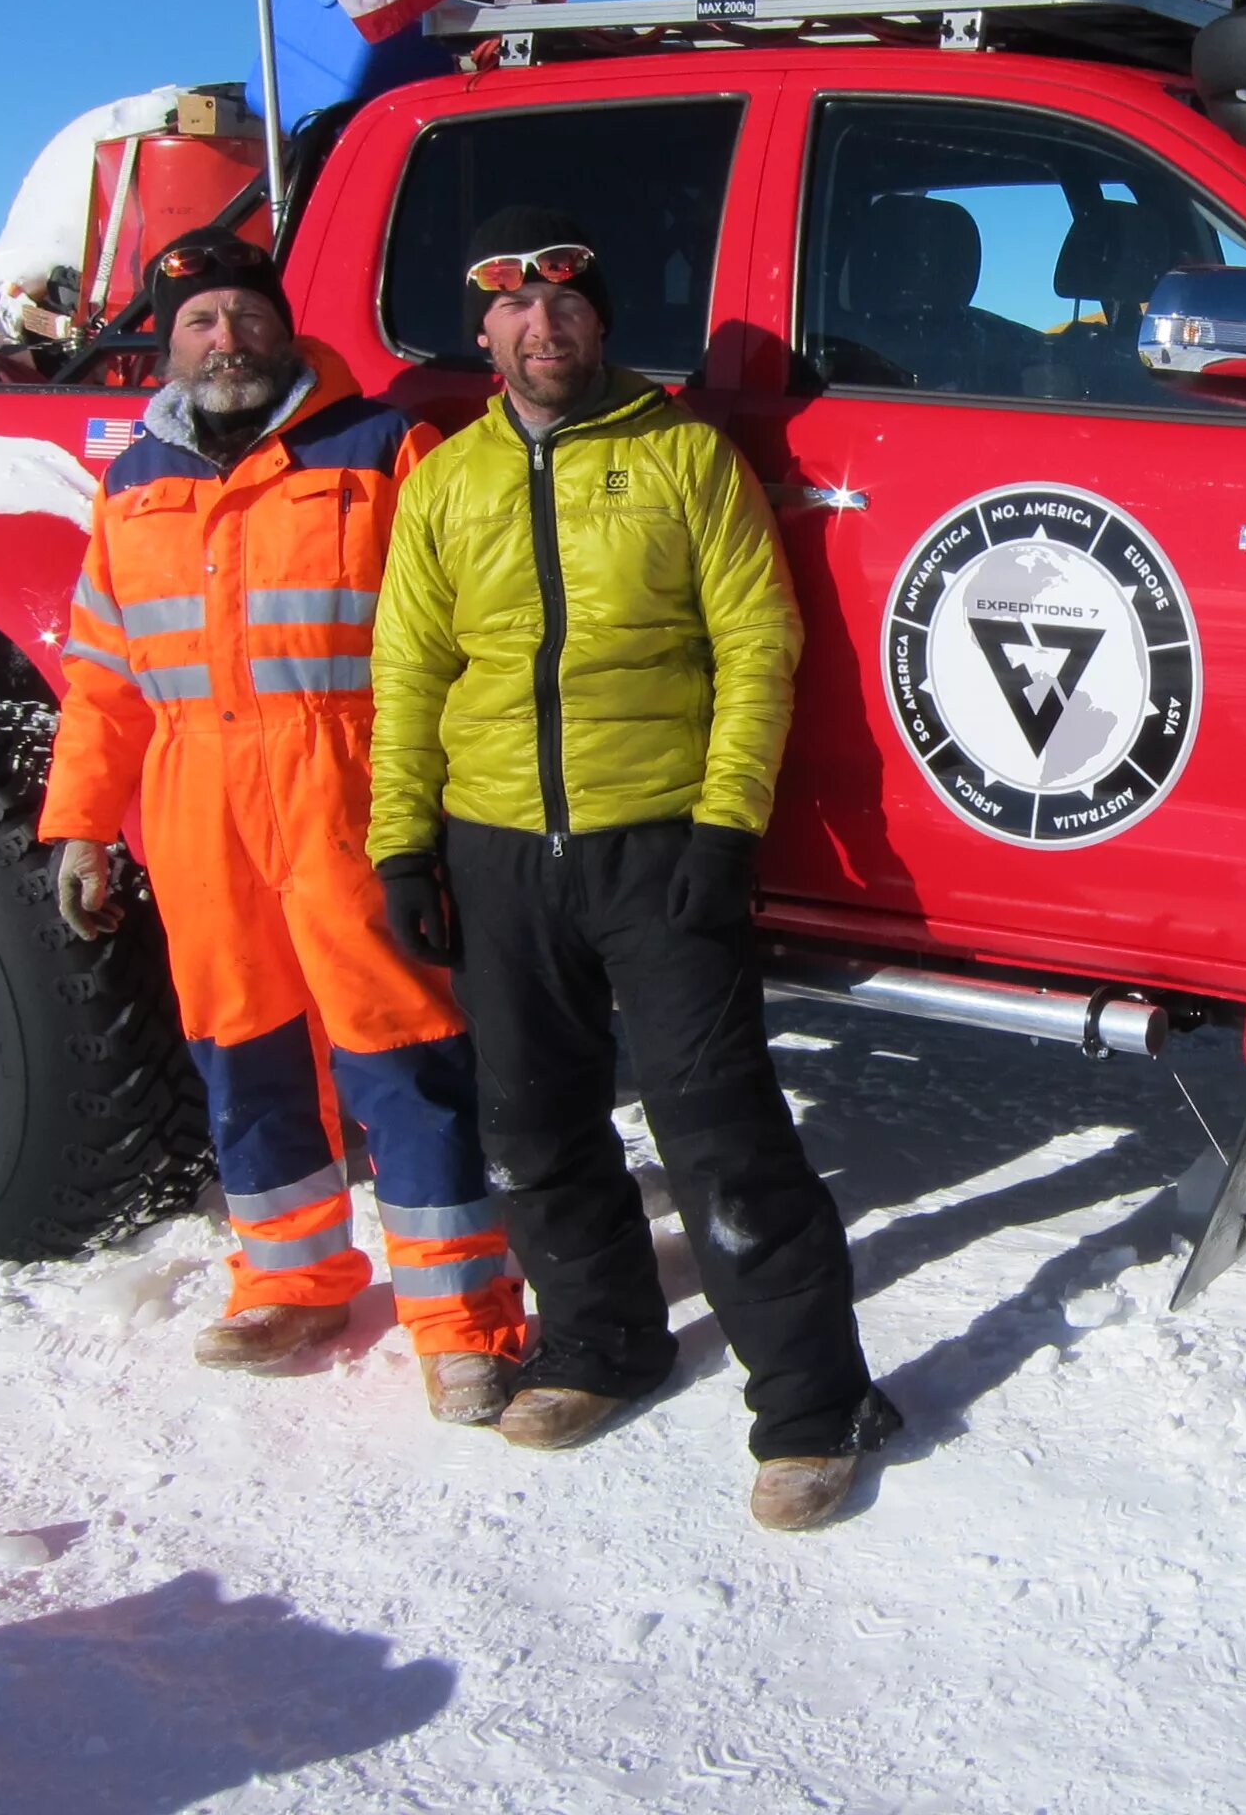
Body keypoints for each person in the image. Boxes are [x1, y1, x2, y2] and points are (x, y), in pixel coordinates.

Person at [365, 207, 895, 1525]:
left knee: (719, 1136)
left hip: (656, 842)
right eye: (516, 309)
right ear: (483, 332)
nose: (543, 328)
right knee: (535, 1127)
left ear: (601, 324)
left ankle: (817, 1404)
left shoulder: (682, 457)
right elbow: (409, 672)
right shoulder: (446, 482)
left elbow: (757, 648)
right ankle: (604, 1344)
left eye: (568, 306)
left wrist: (725, 828)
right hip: (496, 852)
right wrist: (403, 846)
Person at [40, 235, 525, 1424]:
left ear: (282, 326)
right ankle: (291, 1280)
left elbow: (461, 636)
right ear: (170, 342)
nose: (226, 340)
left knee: (402, 1050)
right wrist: (82, 826)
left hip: (349, 786)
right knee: (240, 1050)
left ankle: (462, 1319)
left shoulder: (379, 448)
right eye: (201, 320)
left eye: (244, 317)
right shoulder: (132, 479)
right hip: (197, 800)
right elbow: (104, 674)